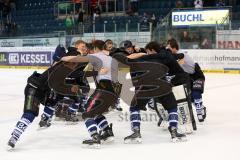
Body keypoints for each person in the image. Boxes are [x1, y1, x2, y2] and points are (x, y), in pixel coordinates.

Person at [110, 41, 188, 143]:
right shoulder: (167, 57)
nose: (147, 53)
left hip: (146, 84)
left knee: (134, 107)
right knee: (172, 107)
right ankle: (174, 131)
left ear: (151, 50)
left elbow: (126, 61)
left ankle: (136, 132)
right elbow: (178, 70)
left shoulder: (144, 58)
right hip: (163, 84)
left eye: (147, 51)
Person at [61, 40, 118, 148]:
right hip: (115, 91)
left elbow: (76, 60)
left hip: (104, 88)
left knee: (87, 113)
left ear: (96, 48)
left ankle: (95, 137)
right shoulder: (111, 58)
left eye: (91, 49)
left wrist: (63, 58)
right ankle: (106, 132)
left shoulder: (95, 56)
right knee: (95, 112)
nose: (90, 51)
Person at [167, 38, 206, 122]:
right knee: (191, 98)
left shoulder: (182, 53)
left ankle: (200, 114)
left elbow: (178, 59)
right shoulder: (173, 57)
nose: (168, 49)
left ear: (174, 47)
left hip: (197, 75)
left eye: (169, 47)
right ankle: (202, 108)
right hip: (189, 77)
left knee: (196, 94)